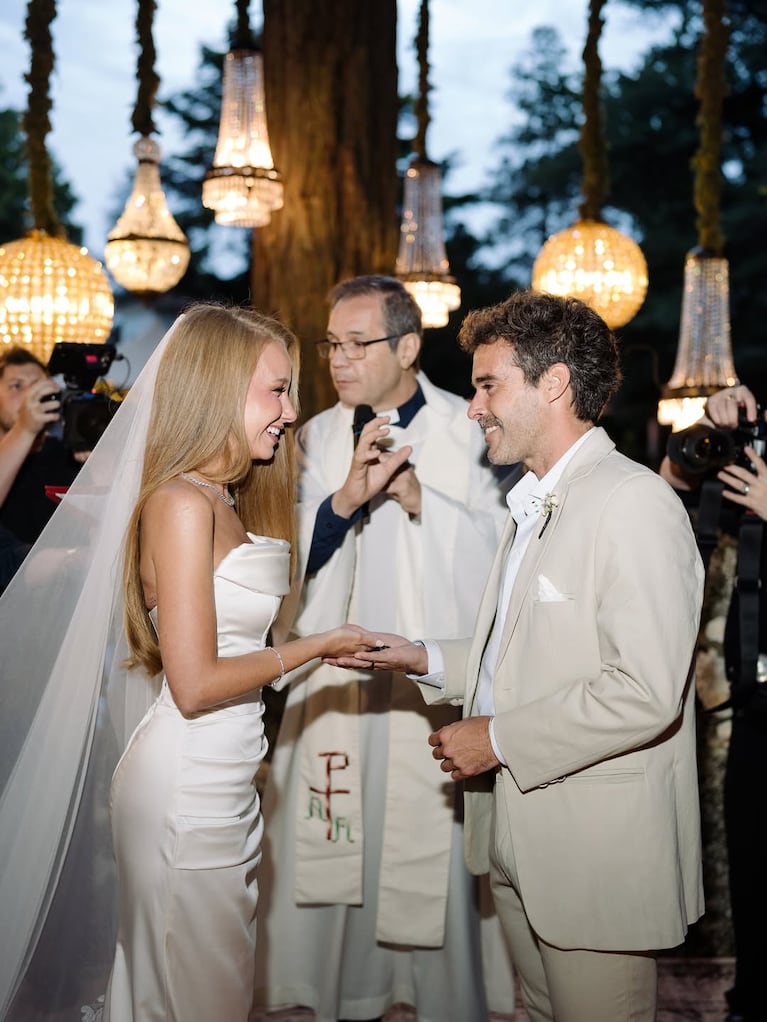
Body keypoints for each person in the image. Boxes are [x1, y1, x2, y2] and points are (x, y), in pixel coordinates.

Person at [330, 289, 707, 1022]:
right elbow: (525, 651)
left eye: (487, 385)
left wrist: (493, 739)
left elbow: (643, 690)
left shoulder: (632, 502)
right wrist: (423, 656)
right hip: (514, 835)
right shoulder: (533, 503)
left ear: (554, 383)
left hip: (593, 852)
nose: (473, 408)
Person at [0, 304, 375, 1022]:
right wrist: (318, 646)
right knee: (196, 990)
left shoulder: (222, 496)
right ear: (217, 388)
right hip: (186, 783)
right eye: (277, 390)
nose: (291, 412)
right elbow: (197, 682)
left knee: (207, 985)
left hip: (225, 771)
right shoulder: (179, 503)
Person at [254, 275, 516, 1022]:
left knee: (422, 835)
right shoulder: (312, 435)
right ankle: (333, 986)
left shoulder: (467, 426)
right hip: (331, 676)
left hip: (423, 675)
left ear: (407, 345)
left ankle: (434, 993)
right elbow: (283, 553)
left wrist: (418, 502)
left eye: (356, 343)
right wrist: (343, 502)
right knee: (333, 831)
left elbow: (499, 555)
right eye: (330, 345)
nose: (338, 361)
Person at [662, 383, 767, 1022]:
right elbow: (670, 498)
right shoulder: (759, 449)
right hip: (756, 703)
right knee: (753, 862)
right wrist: (705, 433)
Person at [0, 346, 78, 591]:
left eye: (37, 386)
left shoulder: (66, 453)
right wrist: (25, 428)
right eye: (16, 386)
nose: (28, 396)